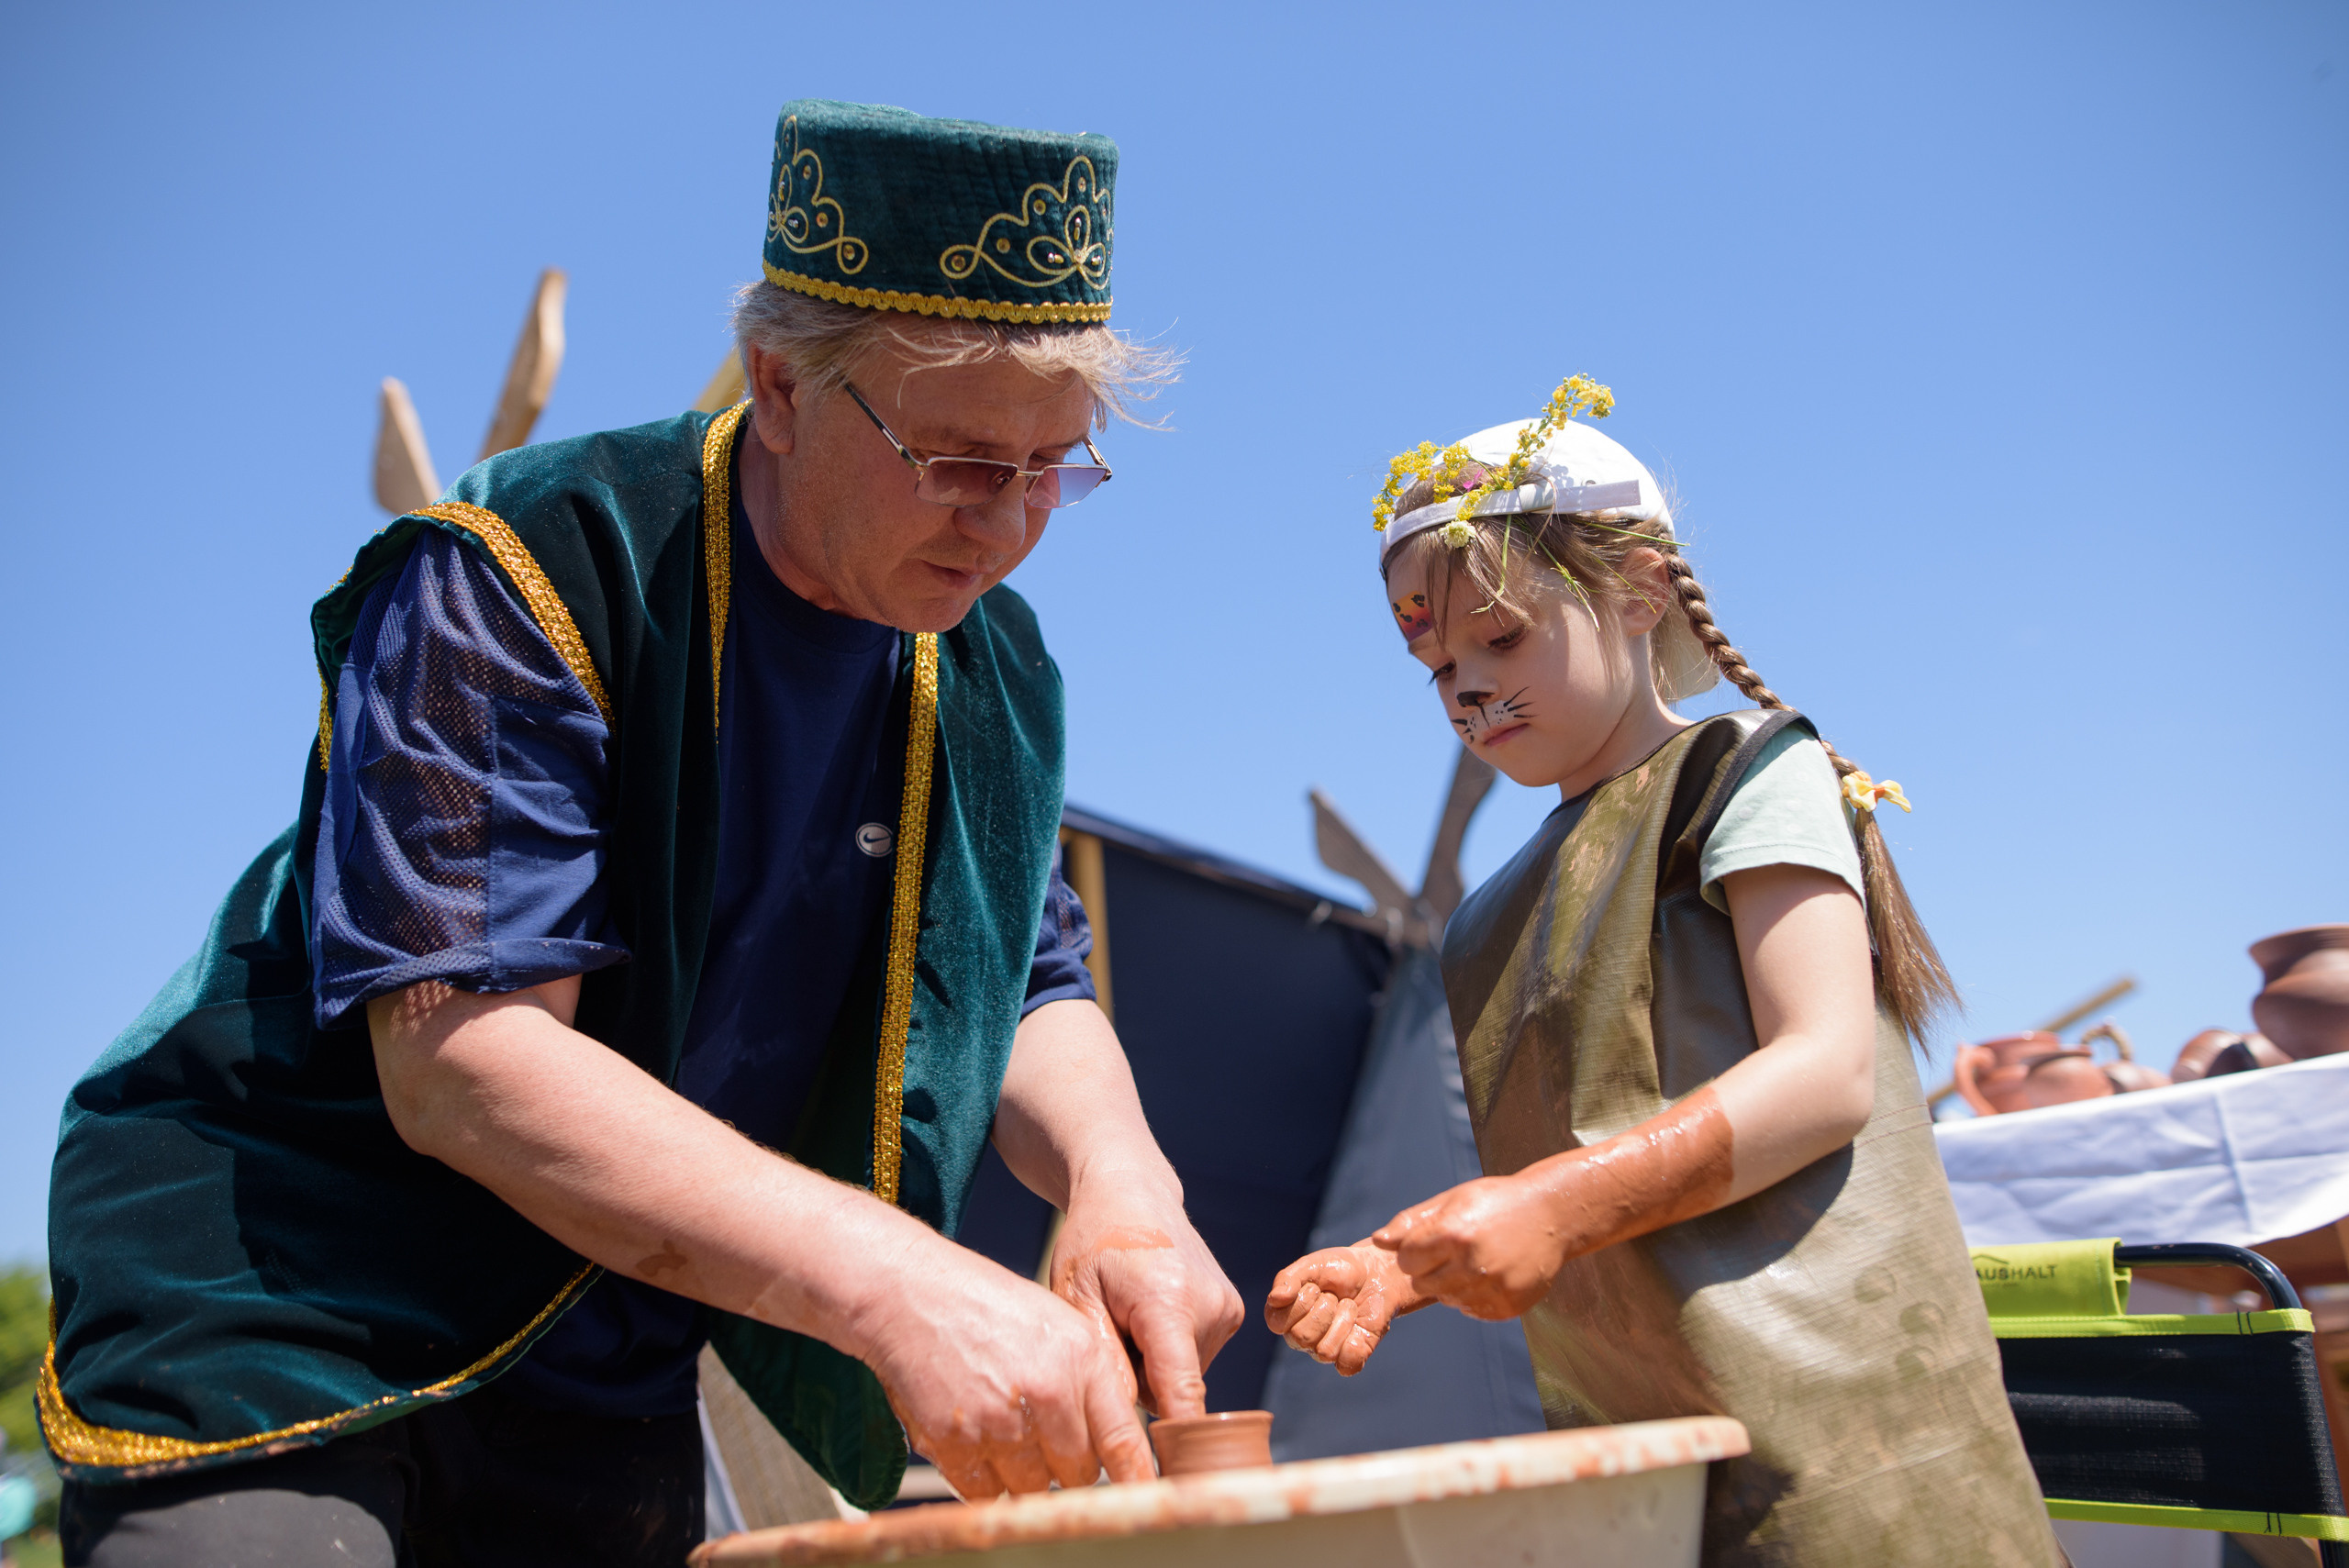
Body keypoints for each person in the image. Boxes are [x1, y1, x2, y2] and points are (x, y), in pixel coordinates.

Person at [43, 99, 1241, 1567]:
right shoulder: (532, 560)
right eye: (957, 458)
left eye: (1056, 466)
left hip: (605, 1331)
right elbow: (464, 1061)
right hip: (294, 1296)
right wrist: (899, 1282)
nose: (1005, 523)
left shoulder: (988, 667)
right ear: (781, 385)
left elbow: (1030, 985)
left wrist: (1126, 1181)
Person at [1264, 378, 2062, 1564]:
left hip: (1858, 1446)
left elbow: (1829, 1069)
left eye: (1500, 634)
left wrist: (1548, 1203)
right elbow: (1570, 1186)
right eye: (1437, 666)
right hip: (1650, 1472)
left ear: (1639, 592)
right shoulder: (1487, 917)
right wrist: (1403, 1261)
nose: (1468, 686)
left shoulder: (1744, 774)